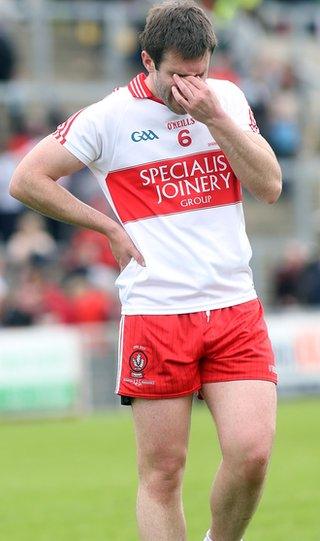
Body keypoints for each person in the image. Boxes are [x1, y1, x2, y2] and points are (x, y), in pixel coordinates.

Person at [10, 1, 282, 539]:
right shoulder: (109, 117)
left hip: (234, 304)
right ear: (147, 62)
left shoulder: (223, 99)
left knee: (251, 454)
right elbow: (27, 179)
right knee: (163, 472)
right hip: (158, 311)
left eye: (199, 73)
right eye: (178, 76)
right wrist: (107, 226)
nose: (190, 88)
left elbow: (270, 185)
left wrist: (215, 118)